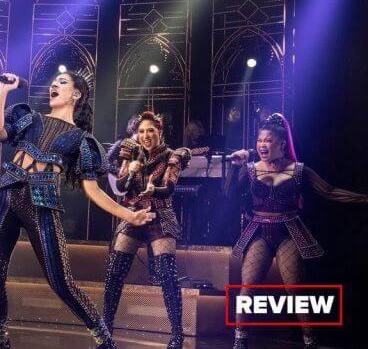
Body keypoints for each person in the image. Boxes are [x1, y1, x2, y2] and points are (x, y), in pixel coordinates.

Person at [0, 70, 155, 349]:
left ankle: (103, 339)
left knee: (60, 280)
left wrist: (129, 215)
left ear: (76, 95)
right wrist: (3, 91)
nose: (54, 84)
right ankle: (0, 336)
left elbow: (93, 190)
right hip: (7, 194)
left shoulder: (81, 139)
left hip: (42, 203)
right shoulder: (31, 118)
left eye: (62, 82)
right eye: (54, 81)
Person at [226, 113, 368, 349]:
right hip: (259, 231)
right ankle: (239, 342)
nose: (262, 145)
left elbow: (330, 191)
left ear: (281, 144)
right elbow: (227, 194)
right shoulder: (250, 170)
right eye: (259, 140)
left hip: (288, 232)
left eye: (268, 140)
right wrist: (234, 167)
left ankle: (310, 341)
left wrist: (363, 198)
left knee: (295, 292)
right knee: (247, 289)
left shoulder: (299, 170)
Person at [104, 111, 191, 349]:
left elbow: (169, 188)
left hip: (160, 215)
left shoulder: (172, 156)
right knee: (115, 272)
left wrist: (154, 190)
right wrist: (131, 169)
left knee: (167, 274)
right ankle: (105, 330)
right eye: (141, 131)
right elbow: (121, 187)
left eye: (150, 130)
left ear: (159, 132)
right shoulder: (131, 153)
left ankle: (177, 335)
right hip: (133, 214)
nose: (146, 135)